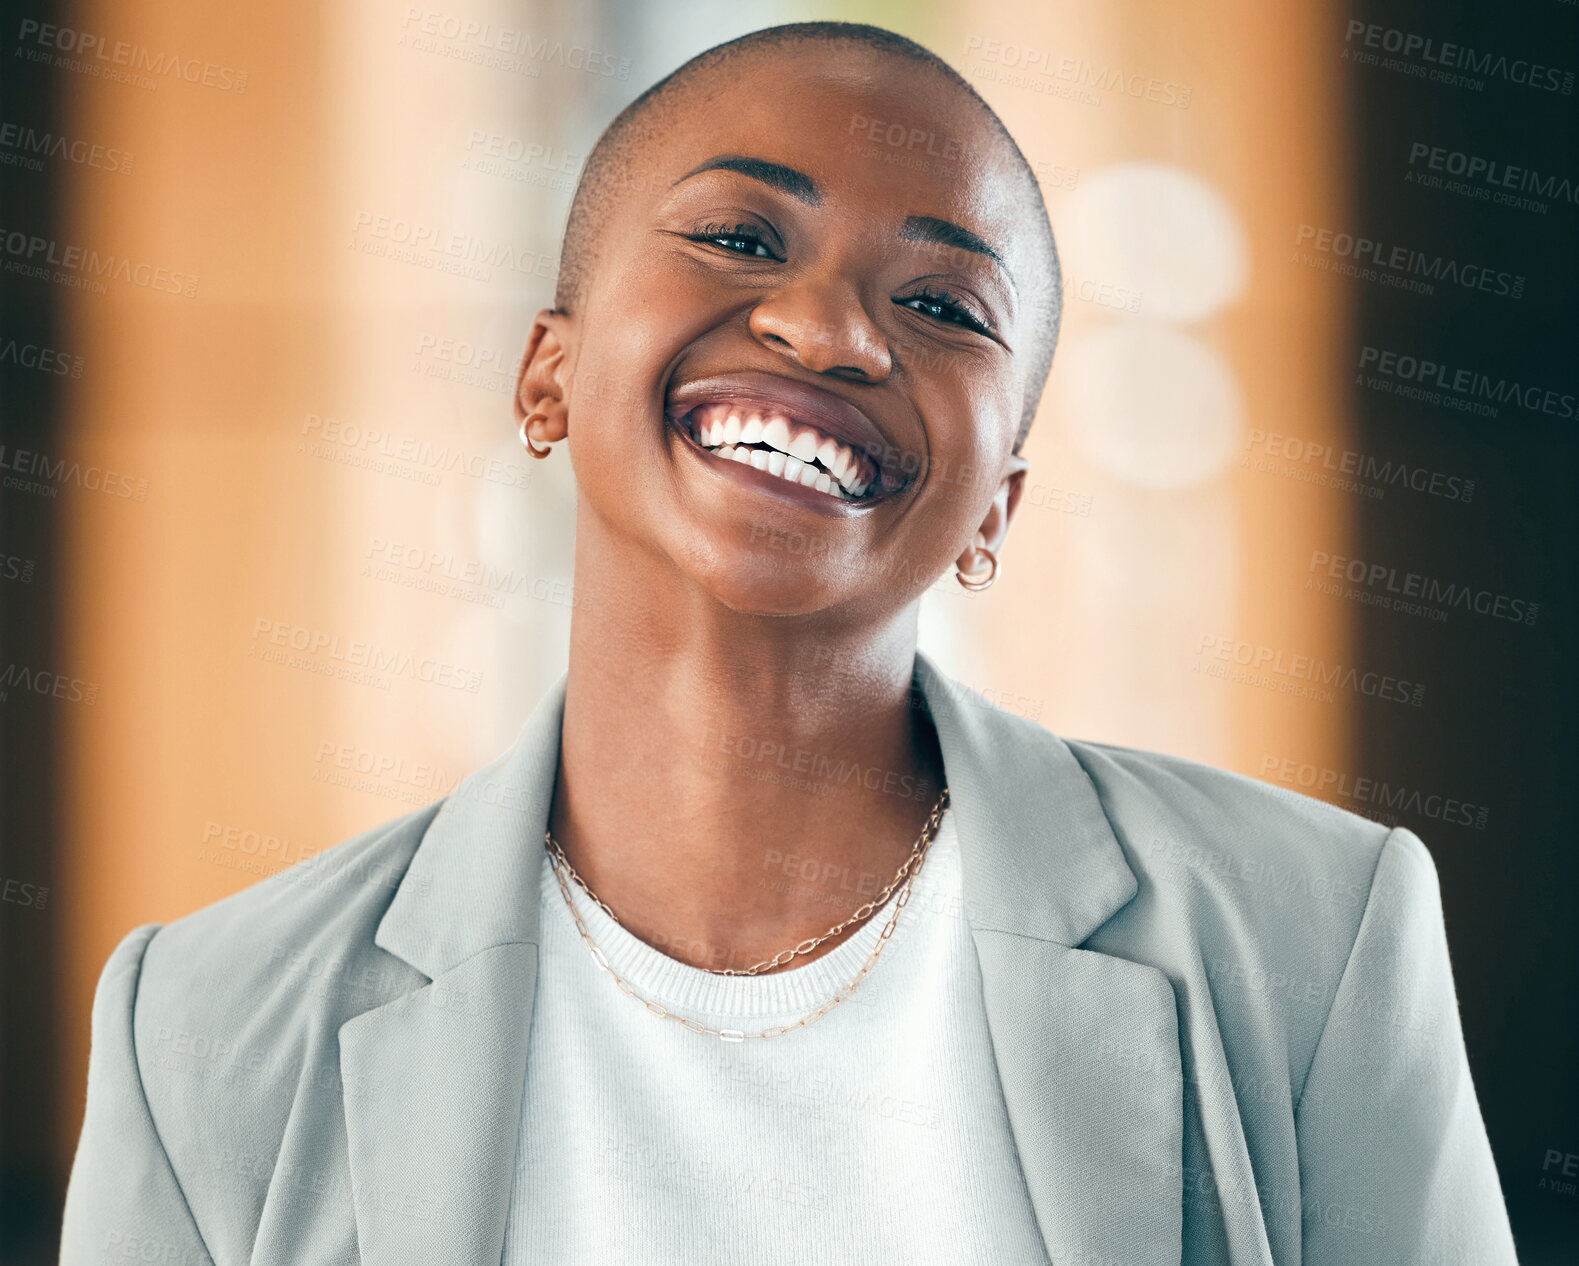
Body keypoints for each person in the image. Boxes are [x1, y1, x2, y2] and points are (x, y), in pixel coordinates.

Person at [59, 21, 1516, 1266]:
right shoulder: (199, 1026)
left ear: (998, 506)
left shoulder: (1316, 936)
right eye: (740, 236)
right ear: (548, 374)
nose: (827, 330)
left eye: (941, 305)